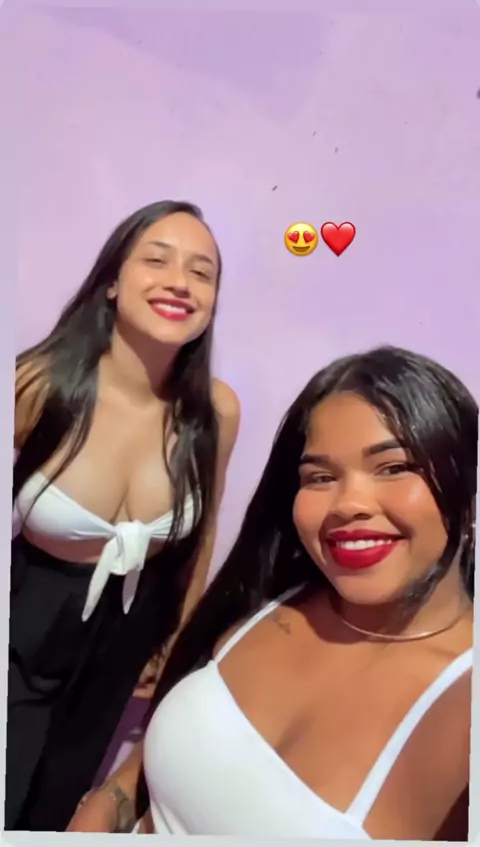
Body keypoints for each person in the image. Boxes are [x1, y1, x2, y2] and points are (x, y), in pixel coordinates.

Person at [69, 345, 476, 839]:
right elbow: (159, 763)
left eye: (393, 468)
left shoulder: (464, 704)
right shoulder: (267, 597)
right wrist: (107, 804)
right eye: (320, 477)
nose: (348, 504)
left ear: (469, 490)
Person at [8, 200, 241, 831]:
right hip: (24, 621)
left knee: (57, 808)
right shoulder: (36, 383)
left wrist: (178, 639)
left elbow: (203, 533)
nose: (179, 283)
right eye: (157, 261)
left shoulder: (215, 412)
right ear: (112, 280)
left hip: (130, 632)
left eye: (201, 272)